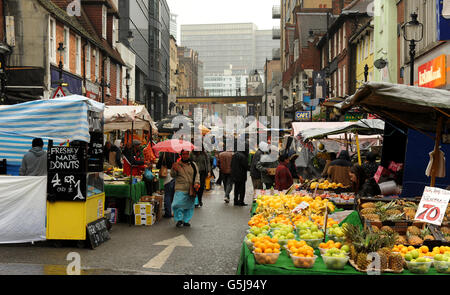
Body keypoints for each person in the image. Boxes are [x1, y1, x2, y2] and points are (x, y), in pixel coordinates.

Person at [171, 150, 200, 227]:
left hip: (191, 188)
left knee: (189, 206)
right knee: (176, 204)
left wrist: (197, 182)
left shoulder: (193, 164)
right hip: (180, 187)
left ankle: (186, 220)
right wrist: (173, 168)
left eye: (187, 154)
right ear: (181, 155)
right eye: (183, 154)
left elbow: (197, 174)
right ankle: (179, 219)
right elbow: (173, 175)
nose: (185, 156)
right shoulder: (177, 164)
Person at [157, 152, 178, 218]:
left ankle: (168, 213)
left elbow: (158, 165)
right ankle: (172, 211)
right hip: (175, 176)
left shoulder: (164, 154)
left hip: (167, 175)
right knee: (172, 194)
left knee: (167, 195)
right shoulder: (176, 154)